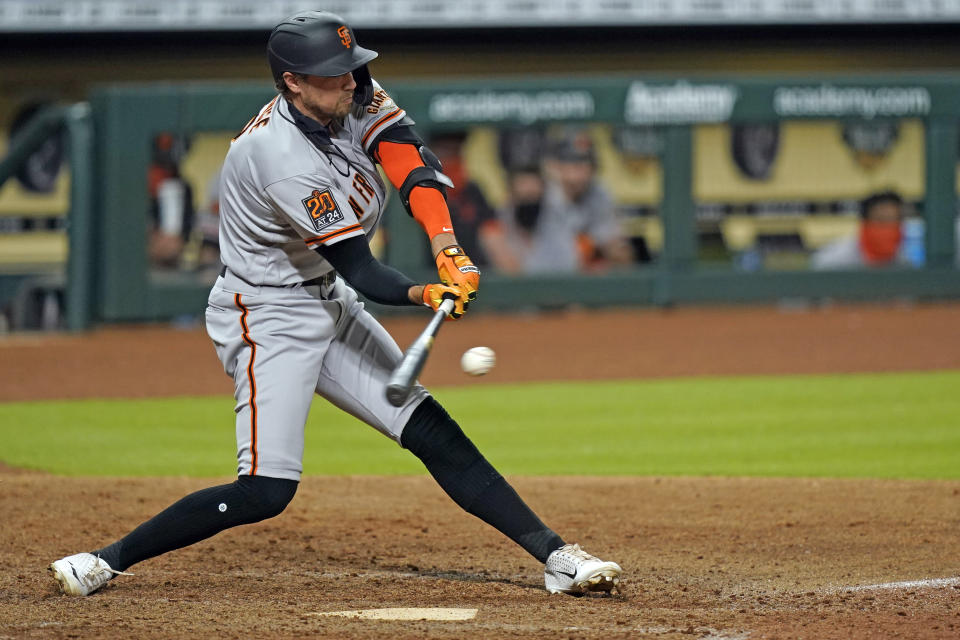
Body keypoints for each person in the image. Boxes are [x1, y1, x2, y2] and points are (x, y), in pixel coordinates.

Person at [48, 11, 621, 599]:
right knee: (265, 492)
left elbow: (407, 161)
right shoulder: (277, 156)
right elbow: (364, 269)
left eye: (352, 67)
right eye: (333, 73)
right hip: (266, 315)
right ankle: (104, 561)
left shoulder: (352, 95)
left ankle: (556, 556)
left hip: (327, 297)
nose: (351, 81)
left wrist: (445, 245)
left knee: (430, 430)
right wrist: (428, 291)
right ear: (293, 81)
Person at [492, 130, 634, 274]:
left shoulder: (598, 194)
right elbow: (504, 243)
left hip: (578, 281)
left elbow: (616, 248)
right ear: (554, 165)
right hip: (535, 278)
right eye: (571, 164)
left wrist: (607, 252)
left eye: (584, 165)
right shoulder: (536, 192)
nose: (577, 173)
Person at [811, 190, 909, 270]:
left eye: (894, 221)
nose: (888, 228)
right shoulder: (833, 261)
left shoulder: (903, 264)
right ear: (865, 222)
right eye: (881, 220)